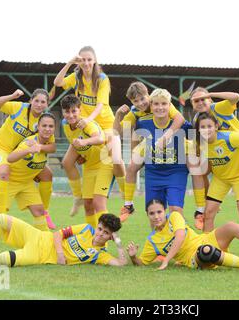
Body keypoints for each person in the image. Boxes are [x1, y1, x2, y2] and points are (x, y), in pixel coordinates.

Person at [113, 82, 205, 222]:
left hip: (179, 140)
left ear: (148, 95)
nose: (140, 103)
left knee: (195, 166)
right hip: (151, 143)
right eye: (135, 101)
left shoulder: (160, 101)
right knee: (132, 167)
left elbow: (180, 119)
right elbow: (117, 132)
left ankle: (200, 209)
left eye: (142, 99)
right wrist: (118, 115)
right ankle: (128, 204)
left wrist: (164, 138)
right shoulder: (135, 112)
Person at [0, 113, 58, 259]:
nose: (47, 129)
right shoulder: (28, 143)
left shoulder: (50, 140)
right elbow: (10, 158)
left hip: (26, 183)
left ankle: (48, 250)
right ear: (37, 127)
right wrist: (28, 150)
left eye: (51, 126)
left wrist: (40, 148)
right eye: (44, 126)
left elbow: (53, 147)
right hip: (11, 182)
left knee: (39, 212)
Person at [54, 46, 125, 211]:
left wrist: (88, 120)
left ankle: (126, 193)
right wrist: (70, 62)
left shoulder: (101, 79)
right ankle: (78, 197)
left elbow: (100, 105)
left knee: (116, 158)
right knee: (67, 162)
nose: (86, 63)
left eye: (89, 59)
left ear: (94, 61)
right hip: (85, 125)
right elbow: (57, 82)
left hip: (106, 125)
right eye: (83, 59)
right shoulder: (77, 77)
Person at [126, 199, 239, 270]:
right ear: (147, 215)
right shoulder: (152, 241)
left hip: (205, 239)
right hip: (194, 258)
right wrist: (134, 257)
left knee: (230, 226)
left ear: (164, 211)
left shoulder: (174, 216)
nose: (157, 216)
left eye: (159, 212)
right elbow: (143, 263)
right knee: (206, 251)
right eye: (152, 213)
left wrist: (166, 260)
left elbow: (180, 236)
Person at [189, 87, 239, 229]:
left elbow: (236, 96)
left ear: (209, 99)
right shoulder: (197, 119)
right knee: (200, 172)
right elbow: (199, 141)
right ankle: (210, 203)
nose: (200, 103)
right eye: (196, 101)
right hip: (228, 152)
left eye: (202, 99)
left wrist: (209, 95)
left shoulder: (218, 108)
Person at [194, 112, 239, 261]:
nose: (206, 130)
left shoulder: (229, 137)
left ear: (216, 126)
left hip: (238, 178)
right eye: (203, 127)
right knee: (208, 214)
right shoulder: (200, 144)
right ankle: (206, 249)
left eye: (209, 126)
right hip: (220, 179)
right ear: (198, 129)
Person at [0, 88, 56, 227]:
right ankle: (0, 214)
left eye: (43, 102)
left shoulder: (44, 122)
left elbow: (52, 146)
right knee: (3, 172)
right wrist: (12, 96)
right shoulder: (19, 108)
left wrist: (40, 148)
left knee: (47, 175)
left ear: (47, 104)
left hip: (19, 155)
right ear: (31, 101)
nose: (39, 104)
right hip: (0, 148)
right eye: (36, 100)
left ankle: (45, 211)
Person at [0, 213, 127, 267]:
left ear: (110, 237)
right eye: (99, 228)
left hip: (40, 256)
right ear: (96, 225)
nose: (99, 234)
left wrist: (118, 242)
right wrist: (61, 254)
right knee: (2, 219)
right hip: (39, 236)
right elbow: (57, 234)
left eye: (105, 233)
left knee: (6, 259)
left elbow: (121, 264)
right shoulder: (86, 229)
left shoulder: (100, 255)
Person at [132, 88, 194, 215]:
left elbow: (195, 138)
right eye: (156, 104)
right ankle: (156, 235)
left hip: (176, 171)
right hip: (153, 172)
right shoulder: (143, 122)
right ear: (151, 105)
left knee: (175, 211)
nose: (160, 107)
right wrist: (137, 153)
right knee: (154, 212)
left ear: (170, 105)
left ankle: (180, 233)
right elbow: (134, 136)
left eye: (164, 104)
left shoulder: (181, 124)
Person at [60, 95, 114, 228]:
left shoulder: (87, 124)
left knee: (98, 204)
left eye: (74, 111)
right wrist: (81, 154)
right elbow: (75, 142)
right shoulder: (65, 125)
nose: (71, 115)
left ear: (80, 110)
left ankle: (104, 241)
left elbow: (100, 139)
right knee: (88, 205)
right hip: (89, 166)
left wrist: (84, 142)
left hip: (105, 164)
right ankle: (92, 236)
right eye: (67, 112)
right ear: (62, 112)